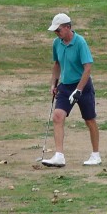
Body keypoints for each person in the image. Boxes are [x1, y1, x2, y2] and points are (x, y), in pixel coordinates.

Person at [41, 12, 101, 167]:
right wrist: (53, 84)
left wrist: (79, 90)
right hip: (65, 86)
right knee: (58, 116)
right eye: (55, 30)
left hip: (83, 85)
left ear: (68, 27)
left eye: (58, 30)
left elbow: (87, 68)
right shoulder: (57, 43)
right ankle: (59, 156)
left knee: (89, 120)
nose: (56, 33)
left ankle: (96, 155)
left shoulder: (80, 42)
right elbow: (57, 64)